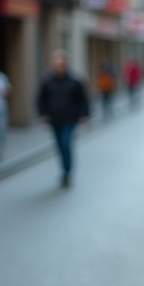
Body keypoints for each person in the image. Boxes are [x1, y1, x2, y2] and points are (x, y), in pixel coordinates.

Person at [37, 50, 89, 188]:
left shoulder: (75, 82)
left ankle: (67, 173)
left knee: (66, 144)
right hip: (55, 120)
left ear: (66, 65)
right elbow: (41, 99)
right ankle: (64, 171)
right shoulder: (48, 81)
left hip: (70, 119)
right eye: (55, 64)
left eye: (60, 64)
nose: (58, 67)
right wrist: (42, 114)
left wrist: (84, 116)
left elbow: (83, 100)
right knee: (60, 146)